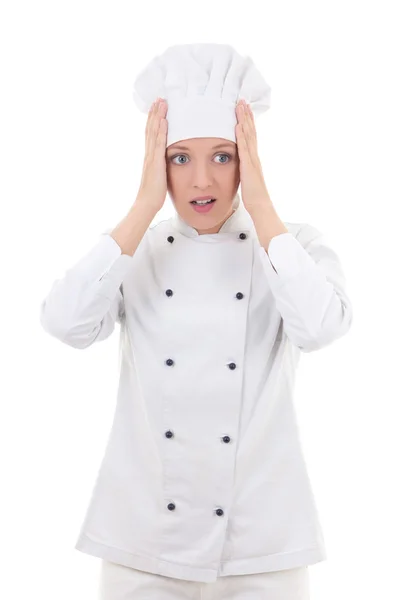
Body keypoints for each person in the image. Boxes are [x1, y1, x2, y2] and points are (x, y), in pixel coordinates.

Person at [39, 44, 353, 599]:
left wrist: (261, 206)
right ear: (158, 162)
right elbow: (65, 324)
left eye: (223, 156)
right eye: (180, 158)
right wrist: (141, 205)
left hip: (262, 548)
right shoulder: (136, 251)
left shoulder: (293, 244)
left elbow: (322, 328)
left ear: (249, 158)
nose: (202, 180)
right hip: (143, 547)